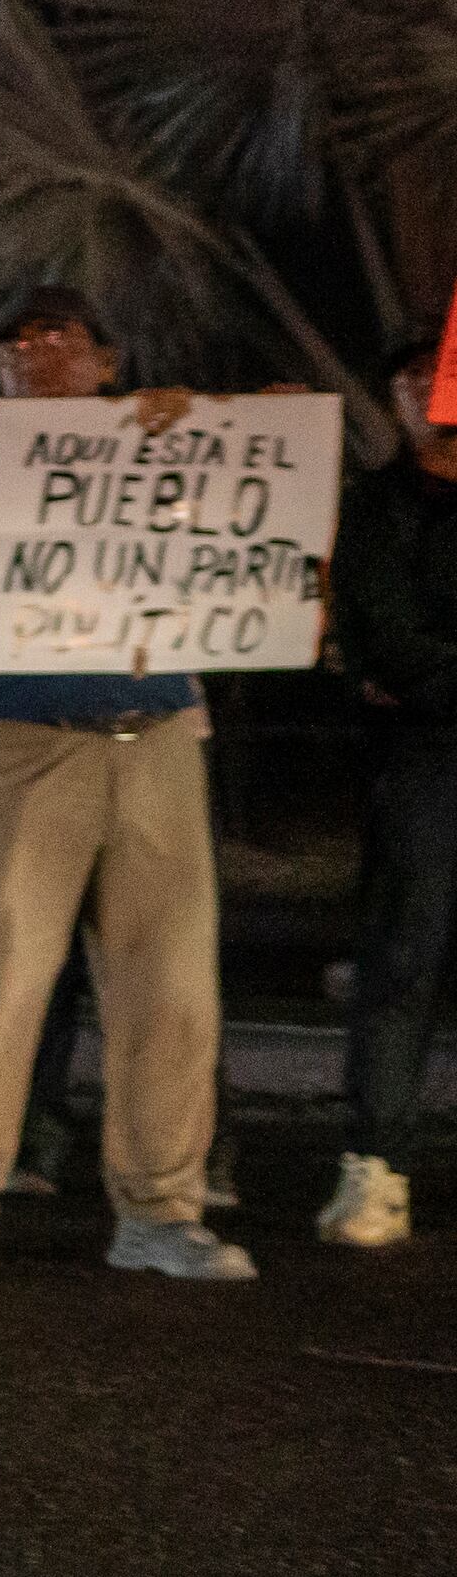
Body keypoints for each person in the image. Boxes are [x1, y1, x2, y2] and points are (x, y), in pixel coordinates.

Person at [0, 288, 255, 1282]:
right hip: (23, 738)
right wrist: (20, 464)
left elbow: (241, 549)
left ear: (106, 360)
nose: (34, 354)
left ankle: (157, 1208)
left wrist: (255, 438)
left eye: (57, 338)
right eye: (13, 341)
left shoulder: (167, 448)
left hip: (152, 736)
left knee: (171, 987)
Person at [325, 388, 457, 1249]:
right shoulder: (374, 506)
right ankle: (377, 1164)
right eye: (418, 379)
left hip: (425, 718)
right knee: (405, 953)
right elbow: (381, 628)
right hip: (425, 756)